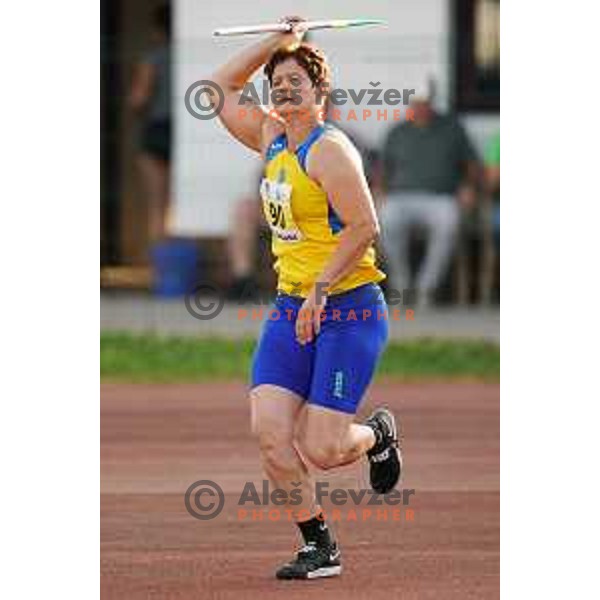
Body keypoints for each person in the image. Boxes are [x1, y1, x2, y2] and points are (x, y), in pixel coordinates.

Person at [210, 16, 403, 580]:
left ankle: (376, 436)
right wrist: (279, 41)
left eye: (299, 80)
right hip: (293, 307)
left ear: (321, 94)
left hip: (348, 309)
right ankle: (319, 544)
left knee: (323, 448)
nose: (287, 87)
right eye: (280, 81)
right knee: (270, 436)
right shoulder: (270, 138)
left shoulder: (332, 151)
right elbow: (219, 87)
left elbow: (365, 226)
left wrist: (322, 288)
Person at [380, 80, 479, 306]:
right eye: (415, 103)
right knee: (386, 220)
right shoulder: (397, 131)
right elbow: (382, 169)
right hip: (400, 197)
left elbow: (472, 165)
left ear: (432, 102)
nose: (419, 108)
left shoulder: (452, 128)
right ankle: (401, 282)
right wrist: (379, 191)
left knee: (448, 223)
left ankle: (426, 288)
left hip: (441, 197)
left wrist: (468, 187)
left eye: (424, 103)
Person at [129, 4, 171, 244]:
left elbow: (139, 98)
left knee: (157, 205)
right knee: (177, 203)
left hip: (156, 129)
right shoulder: (186, 58)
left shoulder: (152, 58)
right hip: (180, 128)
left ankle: (161, 270)